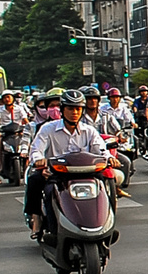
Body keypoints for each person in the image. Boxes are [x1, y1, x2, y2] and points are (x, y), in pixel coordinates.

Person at [25, 89, 109, 237]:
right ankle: (41, 222)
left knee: (106, 183)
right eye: (70, 108)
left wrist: (109, 158)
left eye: (78, 109)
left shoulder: (89, 131)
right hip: (56, 174)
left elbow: (100, 149)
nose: (74, 112)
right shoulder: (48, 129)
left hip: (85, 173)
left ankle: (105, 224)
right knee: (36, 182)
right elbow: (36, 150)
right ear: (63, 110)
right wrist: (39, 161)